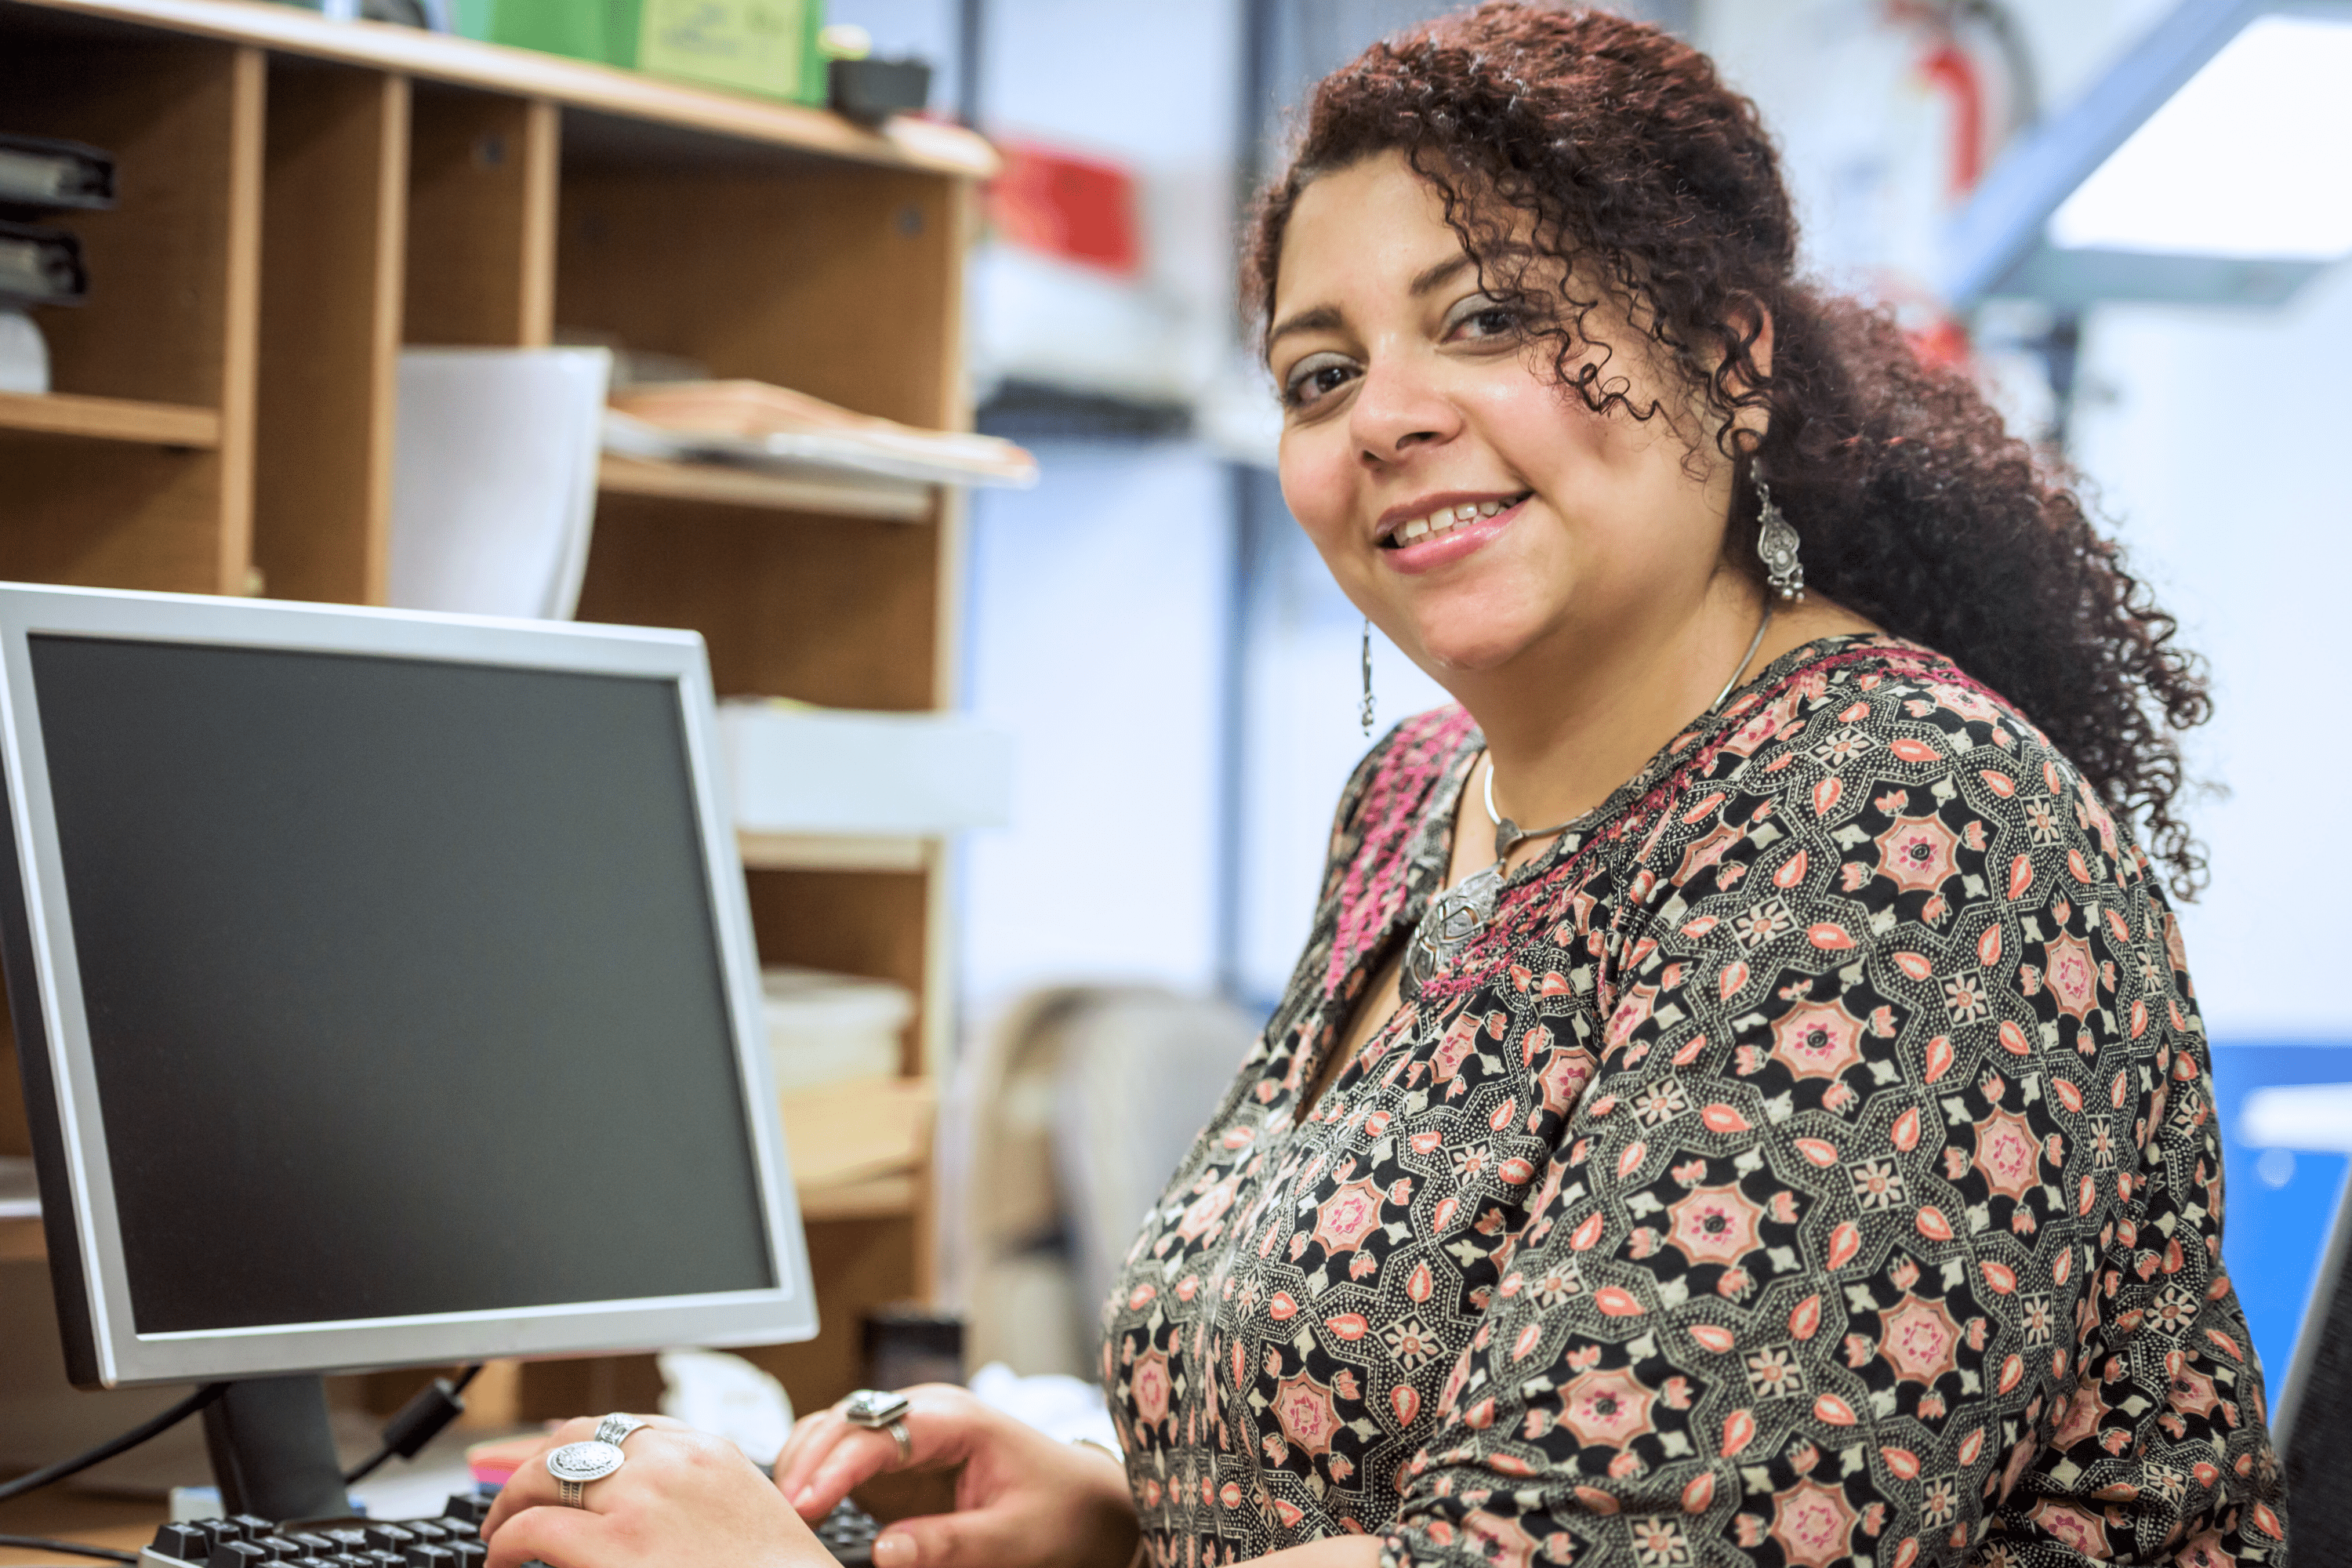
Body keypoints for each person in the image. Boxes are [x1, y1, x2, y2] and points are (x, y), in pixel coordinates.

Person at [480, 5, 2285, 1566]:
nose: (1387, 416)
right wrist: (1122, 1516)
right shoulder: (1421, 799)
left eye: (1490, 318)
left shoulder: (1904, 821)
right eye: (1320, 371)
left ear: (1728, 363)